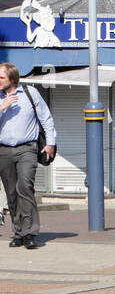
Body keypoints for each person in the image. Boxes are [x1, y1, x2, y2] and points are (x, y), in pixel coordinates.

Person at [0, 62, 57, 249]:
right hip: (4, 150)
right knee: (11, 192)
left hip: (28, 148)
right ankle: (18, 233)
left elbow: (46, 118)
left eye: (1, 77)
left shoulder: (31, 93)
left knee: (25, 186)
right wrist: (2, 106)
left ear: (13, 79)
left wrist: (50, 143)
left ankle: (30, 233)